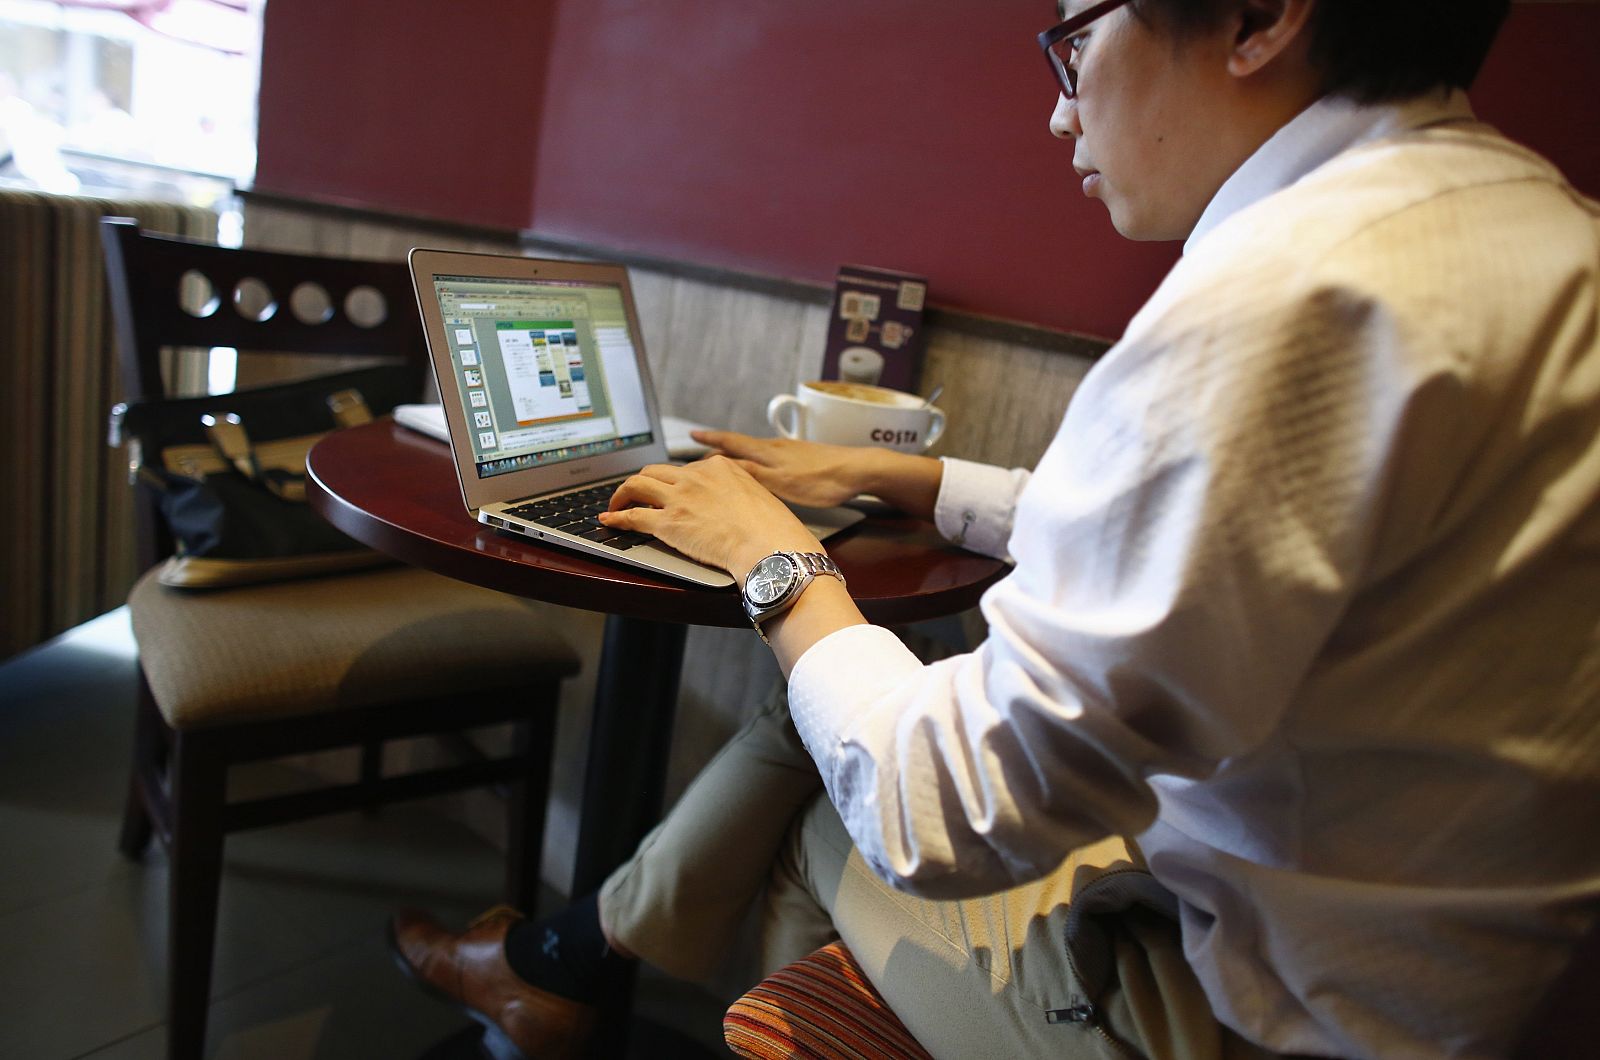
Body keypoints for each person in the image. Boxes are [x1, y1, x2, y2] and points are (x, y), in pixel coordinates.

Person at [390, 0, 1600, 1056]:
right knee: (832, 700)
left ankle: (578, 973)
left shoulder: (1286, 292)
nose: (1061, 115)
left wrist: (771, 558)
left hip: (1245, 1015)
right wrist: (896, 478)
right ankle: (559, 969)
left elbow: (934, 813)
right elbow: (1234, 535)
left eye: (1077, 40)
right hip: (1453, 983)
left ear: (1259, 16)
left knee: (834, 783)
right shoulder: (1535, 235)